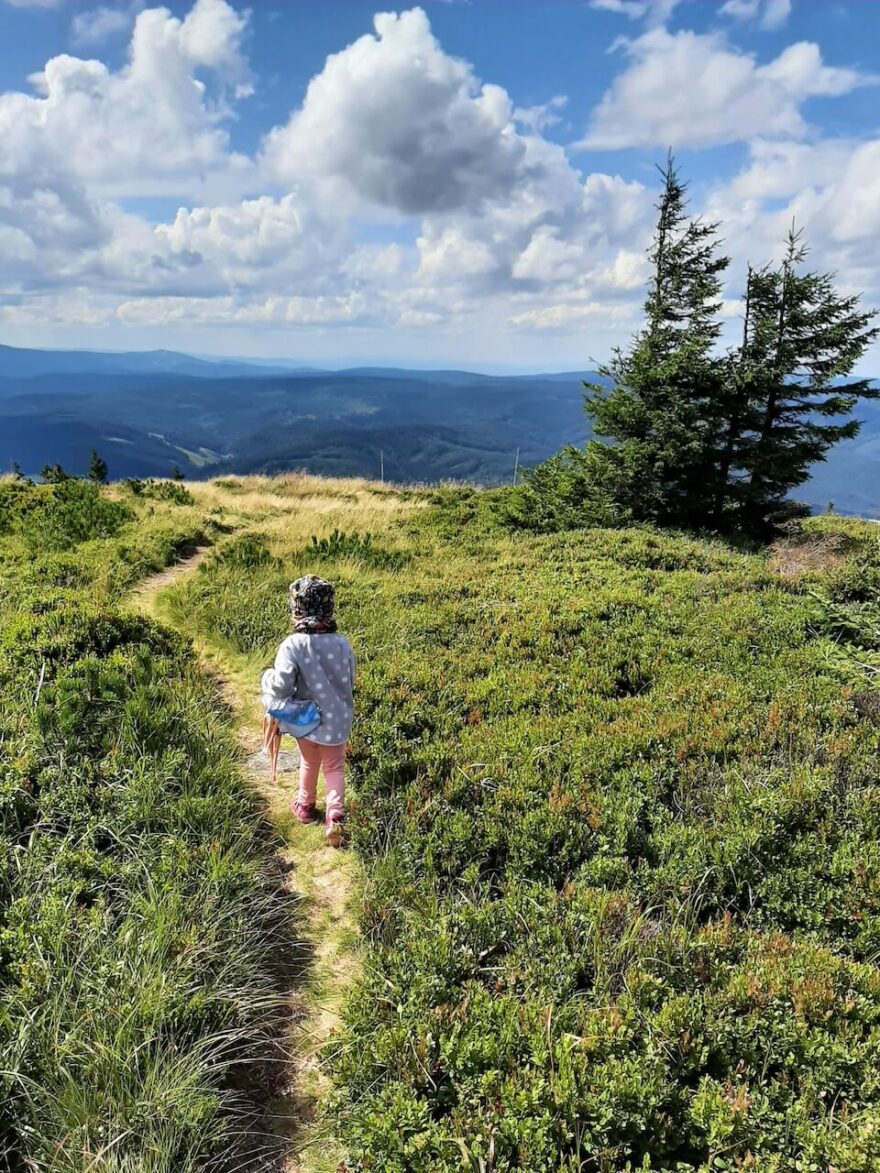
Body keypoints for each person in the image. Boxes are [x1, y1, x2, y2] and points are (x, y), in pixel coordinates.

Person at [261, 575, 356, 847]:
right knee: (335, 767)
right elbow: (350, 678)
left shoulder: (293, 645)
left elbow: (280, 687)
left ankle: (305, 806)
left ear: (297, 610)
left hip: (307, 720)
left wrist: (266, 677)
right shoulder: (342, 644)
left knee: (309, 762)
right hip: (338, 720)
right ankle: (335, 817)